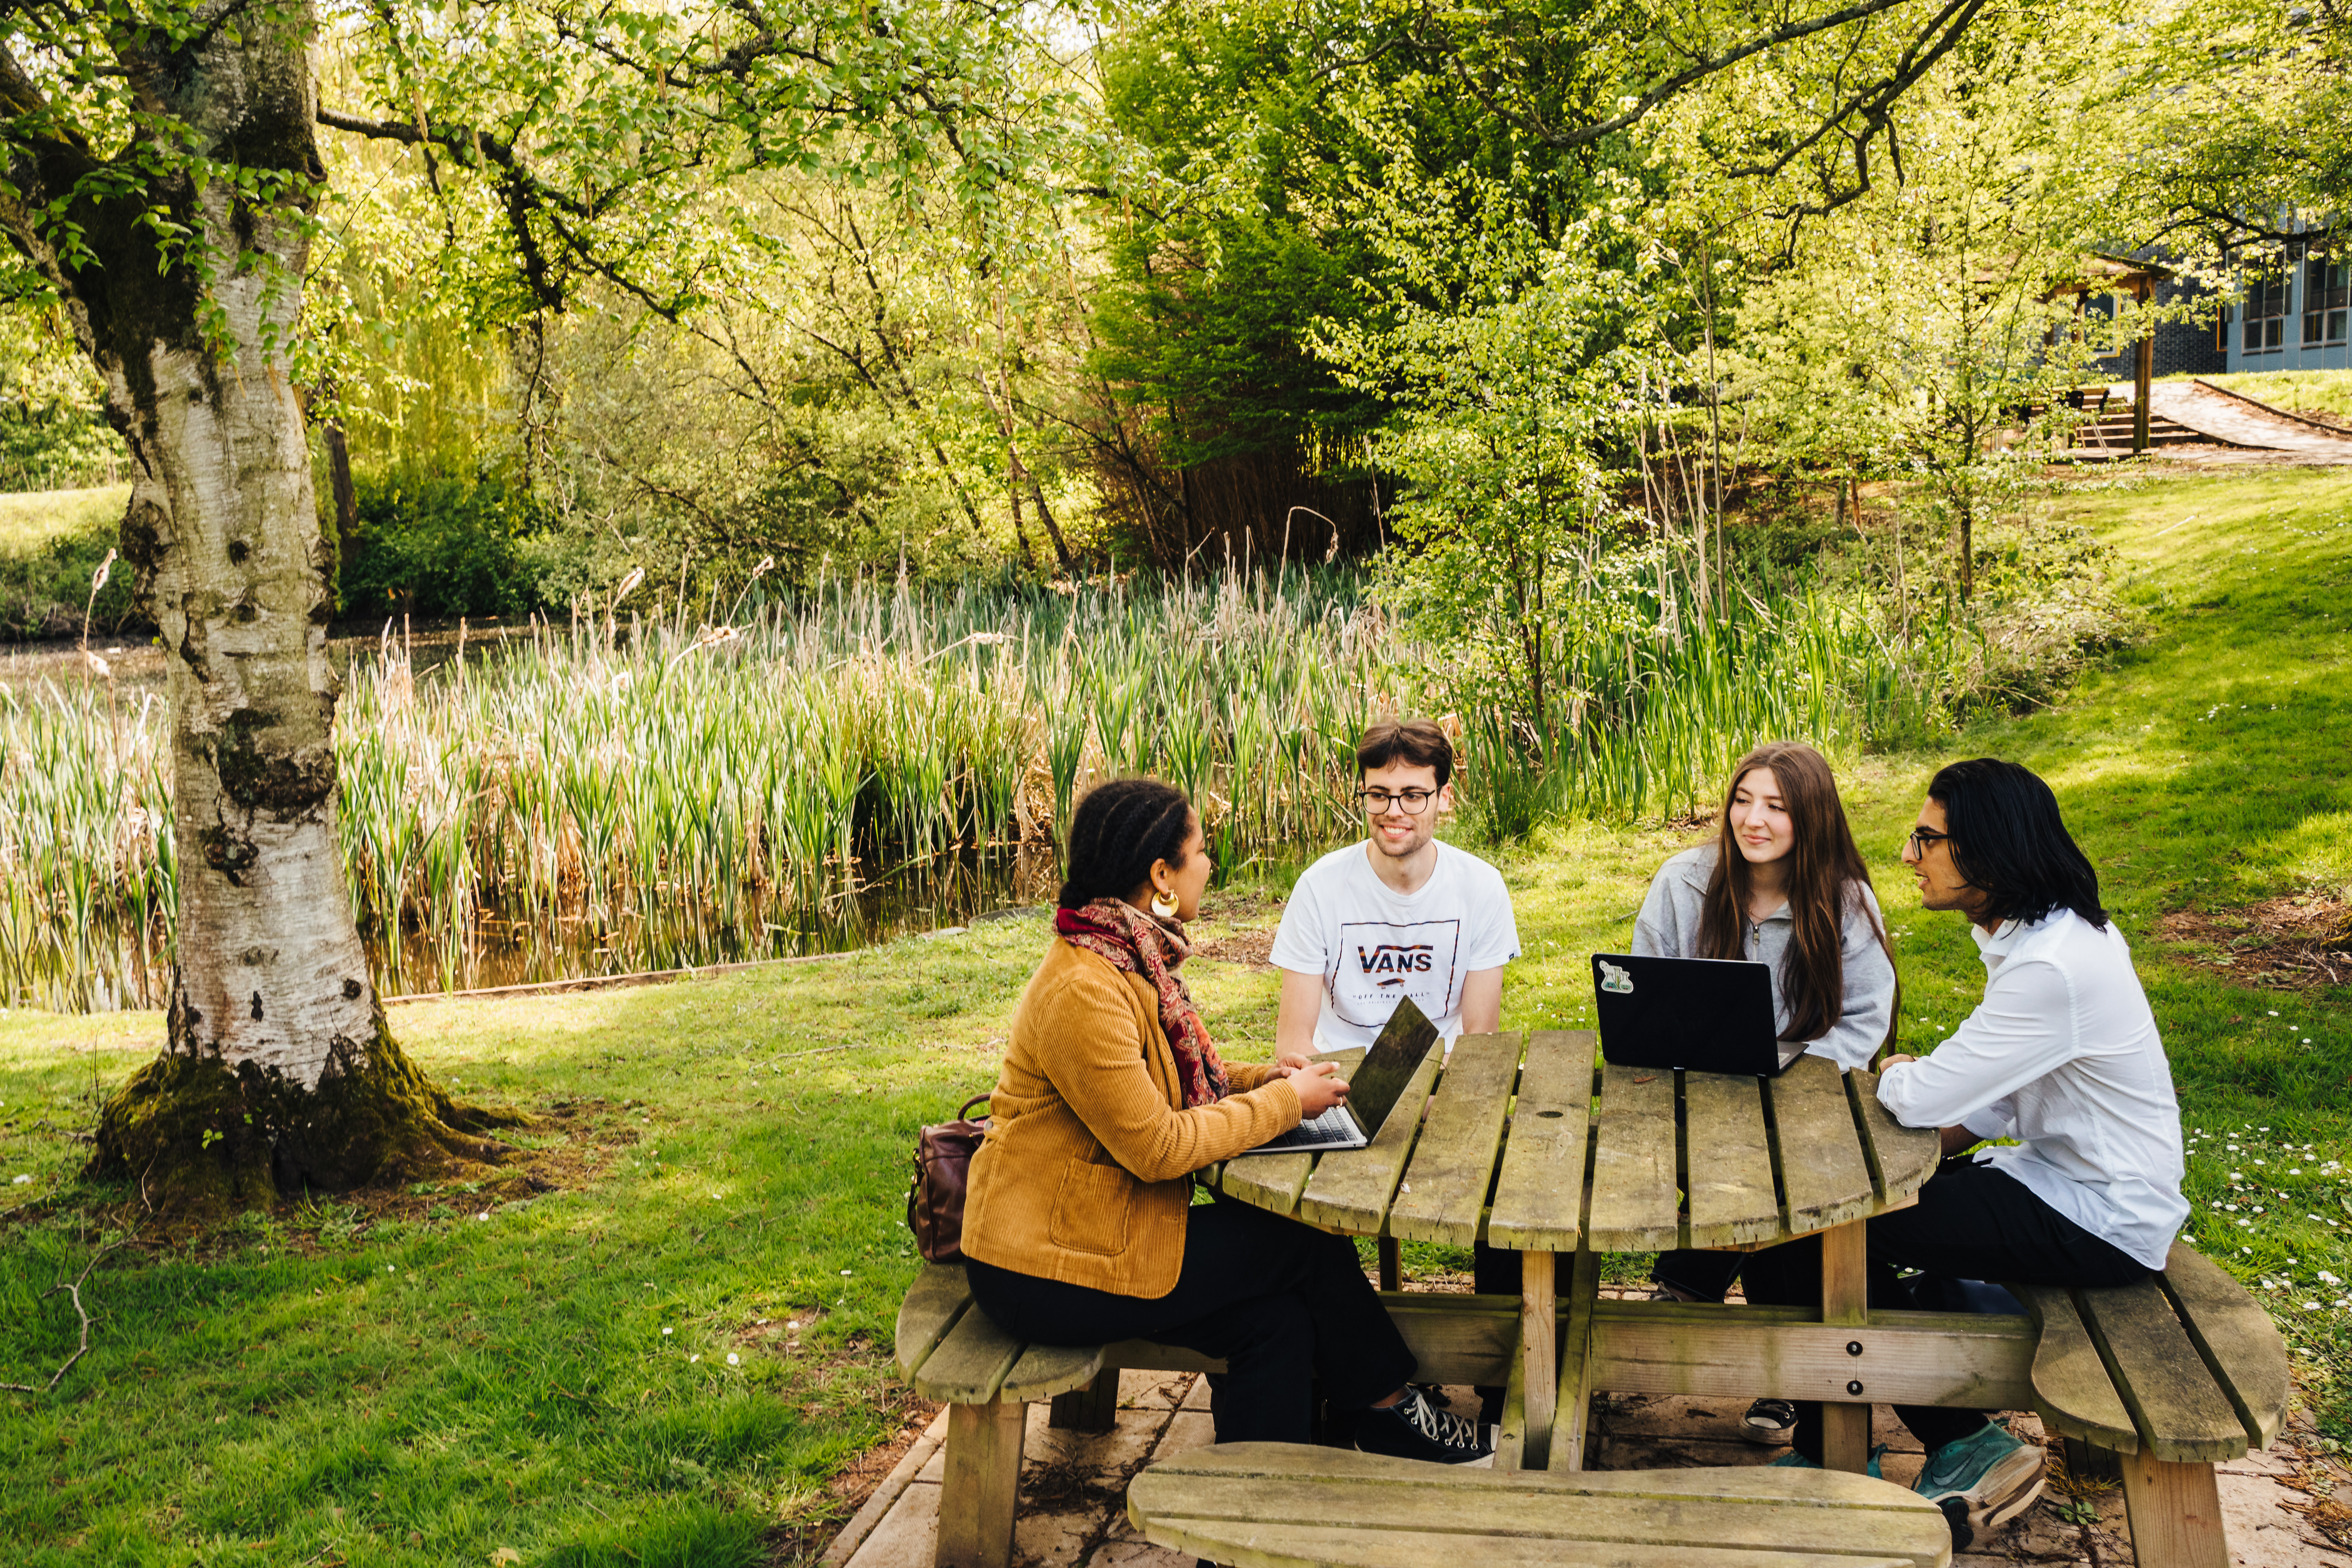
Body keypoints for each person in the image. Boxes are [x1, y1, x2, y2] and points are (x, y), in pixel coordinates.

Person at [959, 777, 1493, 1464]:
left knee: (1273, 1322)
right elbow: (1156, 1145)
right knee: (1298, 1245)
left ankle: (1255, 1507)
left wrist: (1260, 1080)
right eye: (1200, 851)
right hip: (1044, 1265)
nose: (1208, 865)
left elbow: (1168, 1081)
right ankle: (1389, 1409)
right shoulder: (1082, 989)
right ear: (1160, 874)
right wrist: (1283, 1105)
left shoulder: (1126, 956)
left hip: (1098, 1230)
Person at [1739, 758, 2186, 1551]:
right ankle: (1860, 1440)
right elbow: (2000, 1095)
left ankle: (1935, 1444)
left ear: (1985, 851)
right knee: (1819, 1223)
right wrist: (1929, 1106)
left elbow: (1921, 1098)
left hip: (2097, 1216)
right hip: (2058, 1182)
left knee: (1819, 1228)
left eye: (1926, 839)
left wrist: (1904, 1075)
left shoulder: (2051, 966)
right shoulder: (2042, 936)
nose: (1909, 856)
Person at [1637, 741, 1898, 1445]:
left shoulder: (1843, 900)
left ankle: (1712, 1300)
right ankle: (1697, 1292)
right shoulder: (1682, 881)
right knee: (1717, 1155)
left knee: (1785, 1186)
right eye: (1742, 800)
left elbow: (1864, 1021)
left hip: (1802, 1093)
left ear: (1809, 817)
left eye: (1775, 807)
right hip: (1697, 1082)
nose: (1752, 820)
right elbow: (1647, 984)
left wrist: (1793, 1079)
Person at [1270, 719, 1520, 1067]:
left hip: (1442, 1083)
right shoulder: (1318, 889)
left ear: (1444, 798)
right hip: (1338, 1090)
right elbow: (1293, 1046)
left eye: (1413, 796)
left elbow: (1479, 1041)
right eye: (1379, 795)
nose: (1394, 811)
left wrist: (1424, 1099)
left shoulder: (1482, 888)